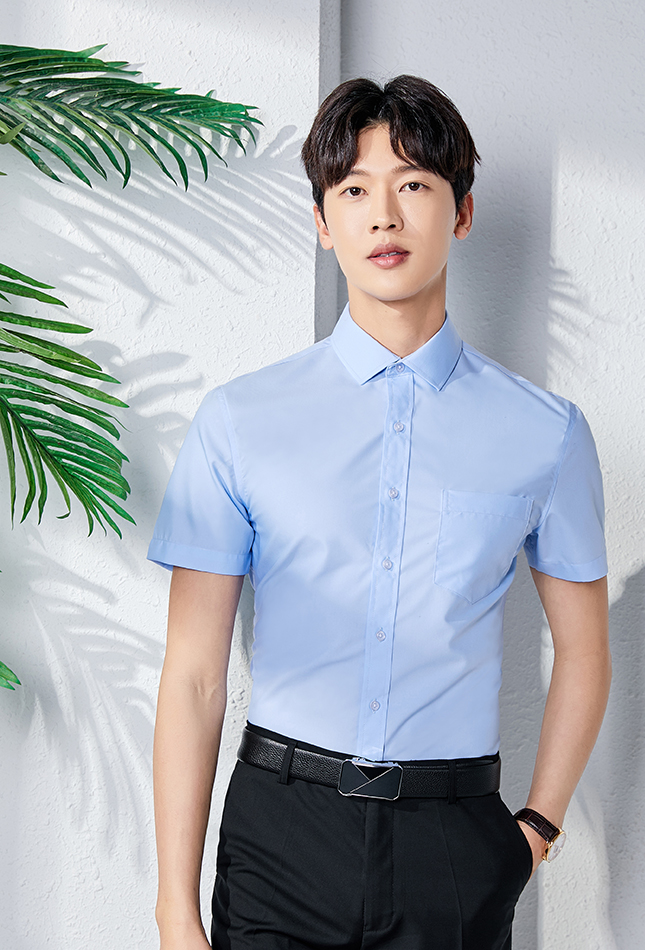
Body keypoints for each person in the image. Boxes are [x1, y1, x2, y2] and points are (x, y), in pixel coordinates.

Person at [149, 75, 611, 950]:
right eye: (354, 190)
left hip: (454, 845)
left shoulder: (545, 433)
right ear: (323, 223)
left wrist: (533, 832)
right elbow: (195, 675)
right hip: (279, 837)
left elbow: (585, 650)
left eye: (414, 185)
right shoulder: (240, 421)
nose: (384, 216)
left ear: (461, 213)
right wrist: (177, 910)